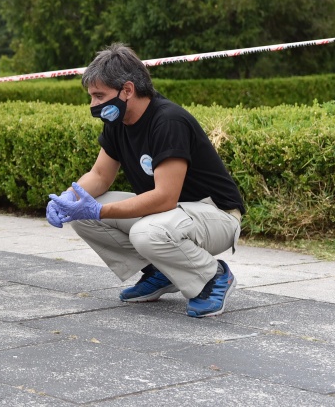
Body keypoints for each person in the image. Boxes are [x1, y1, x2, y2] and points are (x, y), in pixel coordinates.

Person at [46, 43, 245, 318]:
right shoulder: (116, 121)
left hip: (215, 214)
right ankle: (162, 272)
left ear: (127, 90)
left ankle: (212, 276)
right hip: (172, 215)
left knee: (146, 232)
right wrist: (69, 197)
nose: (93, 104)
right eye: (91, 96)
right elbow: (100, 176)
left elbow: (165, 197)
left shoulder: (168, 121)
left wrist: (100, 210)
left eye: (98, 95)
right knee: (81, 214)